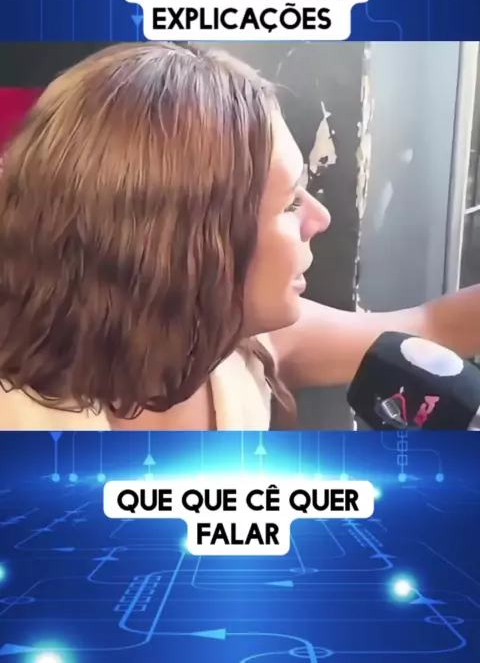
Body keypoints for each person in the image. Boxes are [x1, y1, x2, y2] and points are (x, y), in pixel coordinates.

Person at [0, 41, 479, 431]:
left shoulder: (233, 343)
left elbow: (432, 325)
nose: (320, 218)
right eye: (290, 204)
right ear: (188, 246)